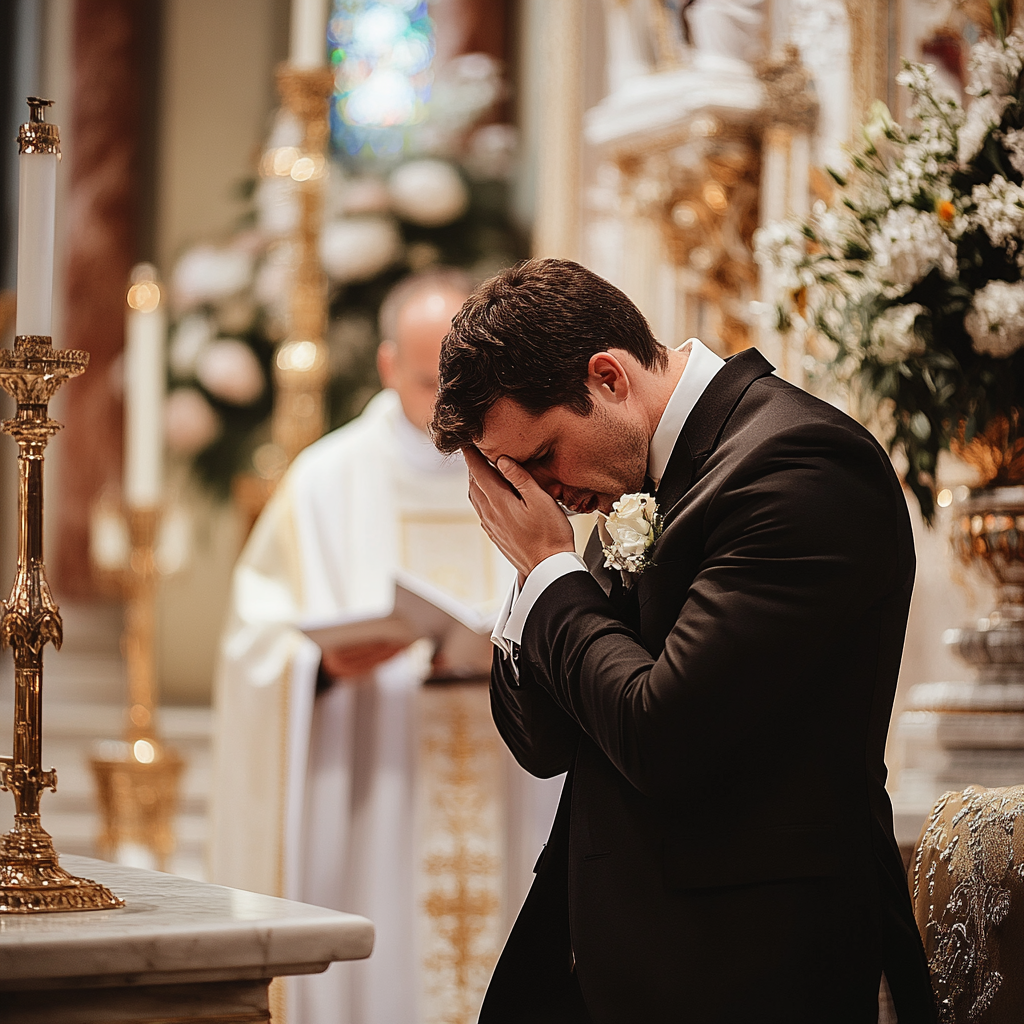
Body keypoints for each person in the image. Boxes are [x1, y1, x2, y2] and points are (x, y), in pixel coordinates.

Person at [429, 258, 938, 1023]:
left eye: (539, 459)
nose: (542, 490)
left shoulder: (797, 466)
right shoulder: (629, 472)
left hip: (746, 969)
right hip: (604, 961)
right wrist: (534, 578)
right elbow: (544, 744)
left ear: (607, 377)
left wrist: (547, 566)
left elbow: (664, 736)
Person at [209, 268, 562, 1024]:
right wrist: (318, 667)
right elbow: (253, 641)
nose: (448, 397)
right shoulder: (324, 483)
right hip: (376, 785)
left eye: (465, 372)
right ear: (387, 366)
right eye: (430, 373)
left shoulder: (528, 466)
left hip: (512, 769)